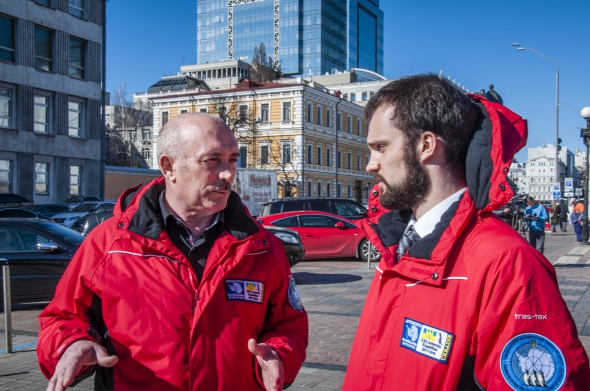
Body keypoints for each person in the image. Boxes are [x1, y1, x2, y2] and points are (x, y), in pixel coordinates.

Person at [342, 74, 589, 390]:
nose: (371, 165)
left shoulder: (506, 262)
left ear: (426, 145)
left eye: (381, 147)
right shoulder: (395, 245)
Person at [37, 113, 308, 391]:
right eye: (212, 160)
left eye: (233, 159)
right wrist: (72, 344)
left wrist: (279, 355)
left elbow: (289, 325)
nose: (228, 173)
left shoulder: (261, 248)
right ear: (169, 166)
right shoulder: (110, 245)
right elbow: (62, 318)